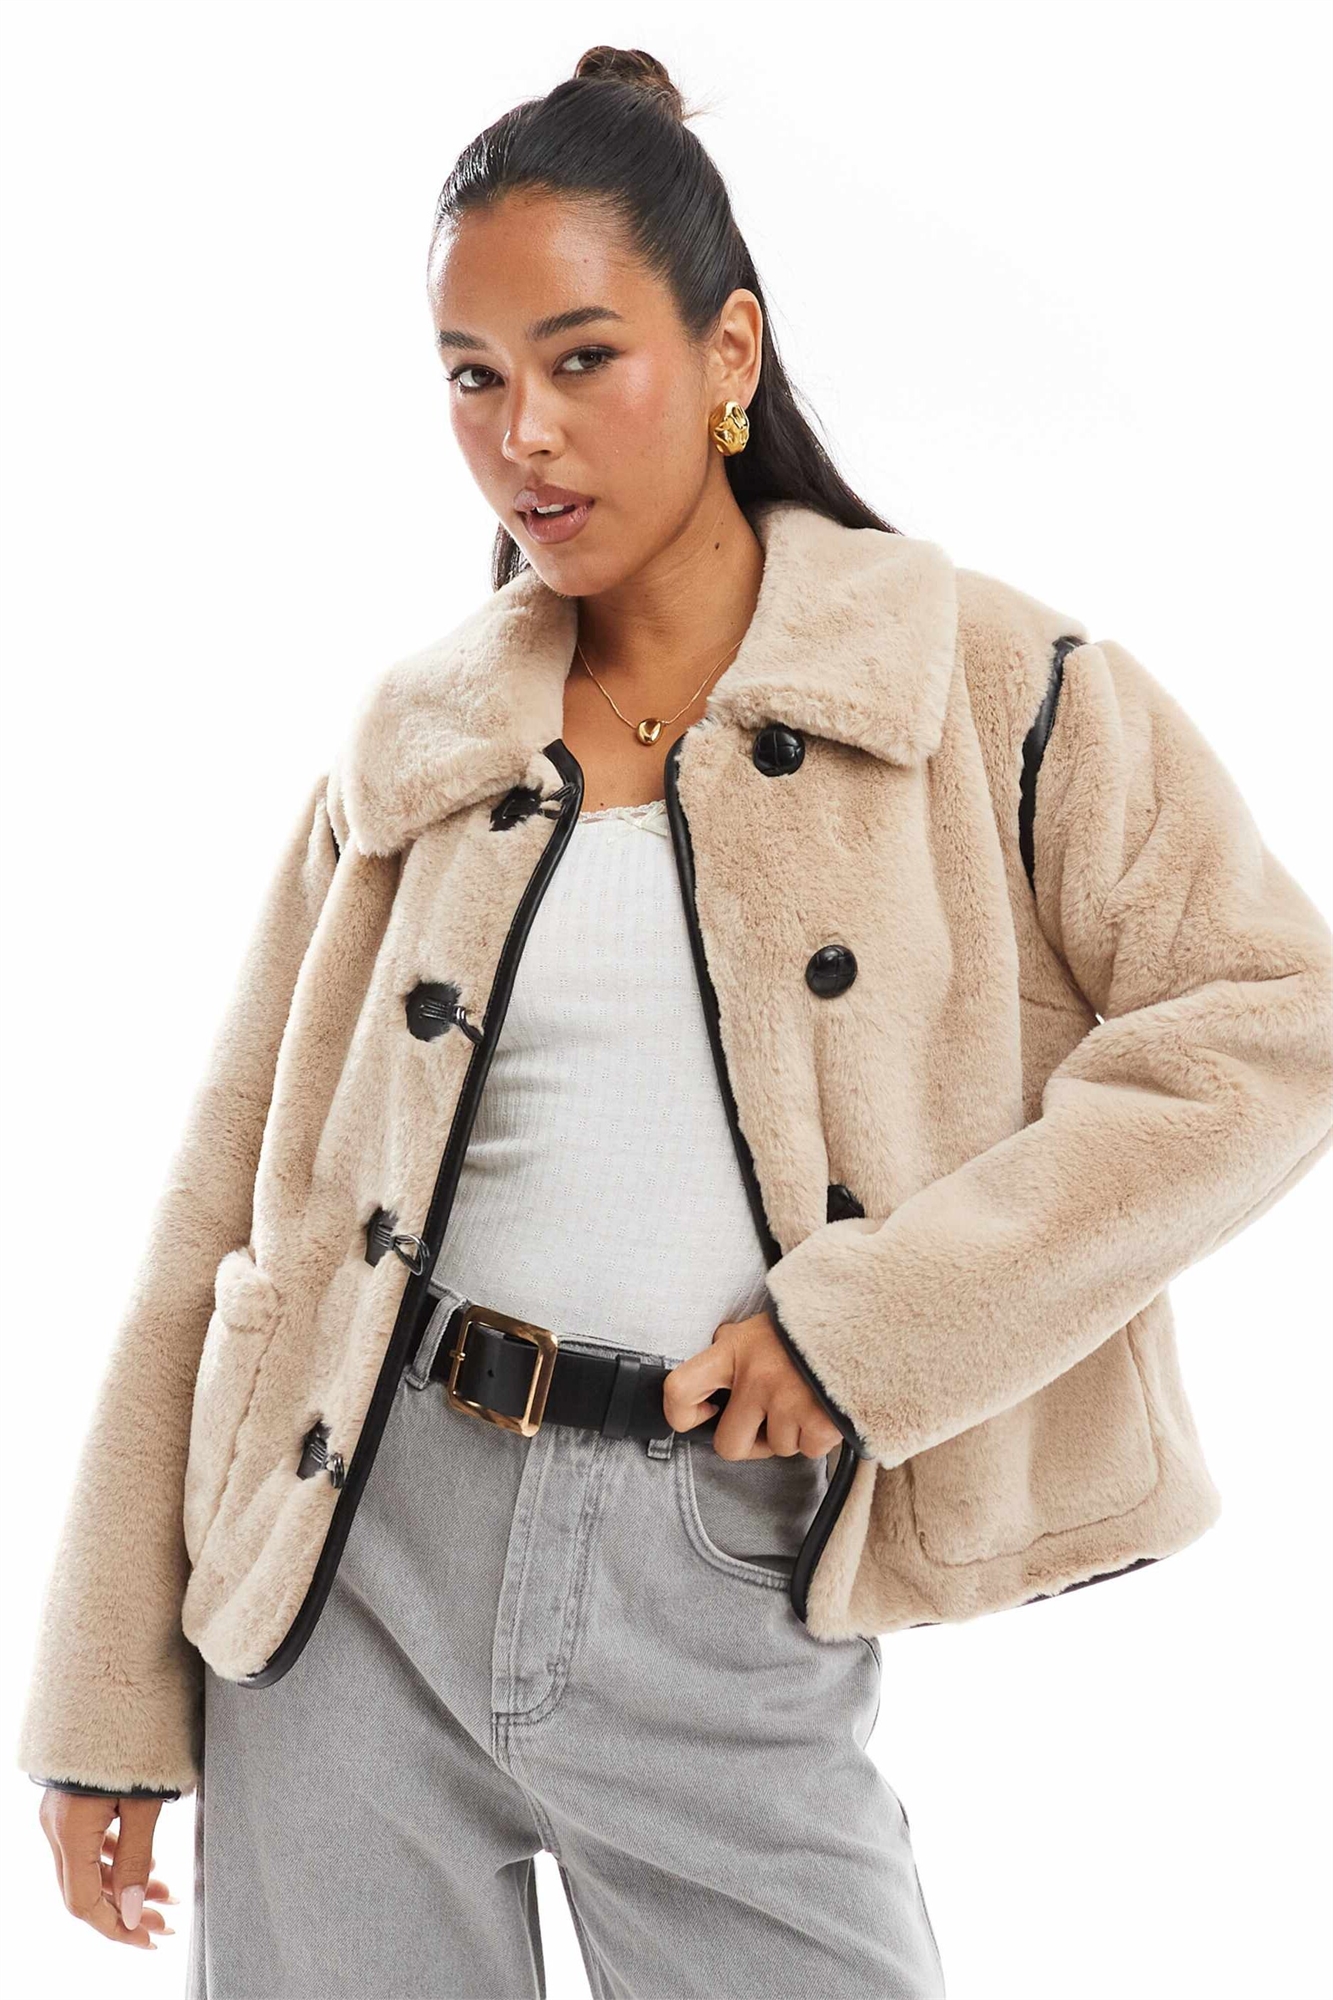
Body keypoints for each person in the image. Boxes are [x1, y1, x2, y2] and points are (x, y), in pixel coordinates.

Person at [18, 43, 1333, 2000]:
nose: (522, 434)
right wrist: (102, 1694)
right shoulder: (415, 748)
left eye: (580, 359)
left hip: (723, 1561)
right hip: (350, 1557)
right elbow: (229, 1209)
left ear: (728, 353)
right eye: (472, 375)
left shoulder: (988, 687)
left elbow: (1269, 1021)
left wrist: (870, 1331)